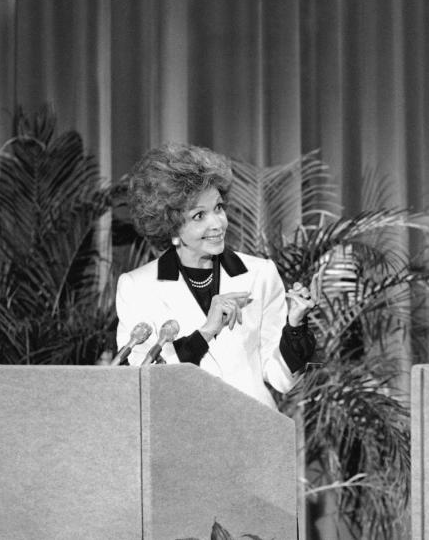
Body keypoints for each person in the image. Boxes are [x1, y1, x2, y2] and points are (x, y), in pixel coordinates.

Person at [115, 143, 316, 409]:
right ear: (171, 227)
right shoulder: (137, 287)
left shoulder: (260, 274)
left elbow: (281, 379)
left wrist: (294, 327)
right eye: (199, 215)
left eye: (218, 208)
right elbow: (140, 381)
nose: (217, 223)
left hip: (252, 431)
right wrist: (206, 332)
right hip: (179, 438)